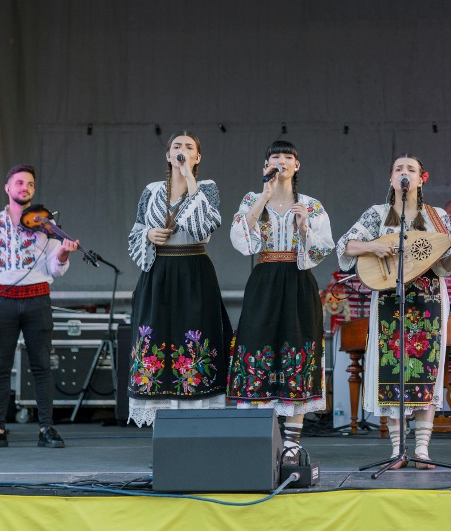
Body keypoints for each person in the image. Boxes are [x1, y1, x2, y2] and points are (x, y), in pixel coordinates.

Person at [336, 154, 451, 468]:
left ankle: (421, 450)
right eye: (398, 169)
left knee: (425, 370)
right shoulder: (377, 214)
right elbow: (344, 246)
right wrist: (373, 246)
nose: (404, 173)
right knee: (391, 370)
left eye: (411, 169)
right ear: (391, 179)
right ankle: (397, 450)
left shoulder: (436, 217)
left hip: (428, 299)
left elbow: (444, 265)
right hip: (389, 299)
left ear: (422, 178)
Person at [228, 141, 334, 463]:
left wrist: (304, 228)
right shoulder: (252, 199)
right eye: (276, 157)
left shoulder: (311, 205)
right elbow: (239, 239)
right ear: (266, 165)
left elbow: (324, 247)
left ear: (297, 165)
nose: (282, 161)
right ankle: (264, 439)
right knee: (258, 349)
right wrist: (264, 196)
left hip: (298, 282)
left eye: (288, 157)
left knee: (297, 351)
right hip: (264, 281)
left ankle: (291, 443)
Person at [0, 164, 78, 448]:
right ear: (8, 188)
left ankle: (46, 428)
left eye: (29, 184)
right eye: (19, 183)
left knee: (41, 366)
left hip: (37, 300)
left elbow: (54, 269)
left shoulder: (45, 224)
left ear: (33, 189)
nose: (24, 188)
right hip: (3, 301)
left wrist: (63, 255)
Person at [126, 131, 231, 427]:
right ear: (168, 155)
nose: (182, 150)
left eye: (189, 147)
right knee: (155, 335)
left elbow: (204, 227)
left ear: (198, 157)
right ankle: (162, 423)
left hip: (194, 271)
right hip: (158, 272)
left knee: (195, 335)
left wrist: (188, 178)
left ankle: (196, 420)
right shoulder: (151, 191)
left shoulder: (207, 188)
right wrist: (149, 234)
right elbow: (135, 232)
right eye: (176, 146)